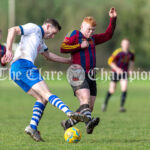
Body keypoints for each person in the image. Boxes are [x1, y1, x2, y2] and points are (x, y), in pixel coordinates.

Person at [1, 18, 88, 142]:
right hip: (24, 65)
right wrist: (9, 49)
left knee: (42, 99)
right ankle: (69, 112)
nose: (52, 36)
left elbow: (48, 55)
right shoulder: (34, 28)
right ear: (47, 26)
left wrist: (68, 61)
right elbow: (12, 30)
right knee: (47, 94)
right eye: (53, 33)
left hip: (15, 71)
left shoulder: (41, 41)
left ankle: (32, 127)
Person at [60, 8, 117, 134]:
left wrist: (113, 19)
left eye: (92, 30)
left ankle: (68, 123)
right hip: (76, 72)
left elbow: (108, 35)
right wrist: (79, 46)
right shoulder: (74, 34)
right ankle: (89, 123)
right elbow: (63, 48)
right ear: (81, 26)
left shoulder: (93, 39)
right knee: (85, 100)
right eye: (88, 29)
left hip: (91, 75)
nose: (90, 32)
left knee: (89, 107)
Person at [102, 39, 135, 112]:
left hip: (124, 73)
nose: (126, 45)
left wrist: (130, 70)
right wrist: (117, 69)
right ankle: (105, 104)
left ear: (129, 45)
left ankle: (121, 107)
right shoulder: (118, 52)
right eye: (124, 44)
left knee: (124, 88)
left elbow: (132, 62)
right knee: (112, 90)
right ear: (122, 44)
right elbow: (110, 61)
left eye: (127, 44)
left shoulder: (131, 53)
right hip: (115, 72)